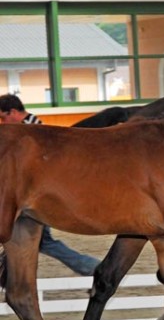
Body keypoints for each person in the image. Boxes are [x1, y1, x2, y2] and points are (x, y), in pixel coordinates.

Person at [0, 93, 100, 276]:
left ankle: (91, 266)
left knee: (43, 242)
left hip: (35, 193)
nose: (3, 123)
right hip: (33, 191)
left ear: (13, 112)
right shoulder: (33, 125)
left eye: (3, 117)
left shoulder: (29, 131)